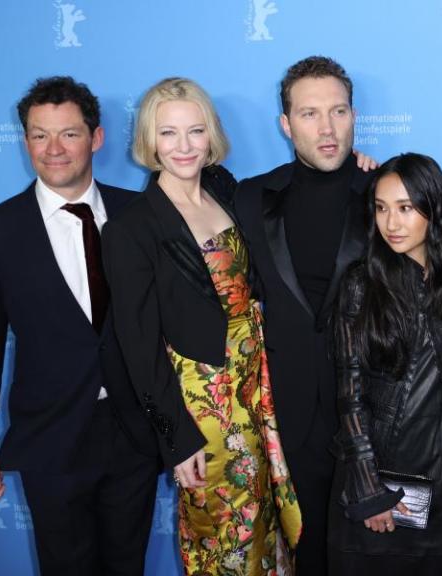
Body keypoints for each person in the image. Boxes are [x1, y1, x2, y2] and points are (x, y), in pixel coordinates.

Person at [0, 76, 159, 576]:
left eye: (68, 133)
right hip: (51, 436)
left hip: (134, 433)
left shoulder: (142, 214)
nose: (53, 149)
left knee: (126, 567)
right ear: (25, 140)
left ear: (96, 138)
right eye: (39, 134)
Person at [101, 77, 301, 574]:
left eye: (195, 131)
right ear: (150, 141)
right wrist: (178, 438)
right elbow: (138, 344)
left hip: (259, 388)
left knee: (273, 526)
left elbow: (298, 197)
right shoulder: (131, 227)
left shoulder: (224, 189)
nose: (184, 146)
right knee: (226, 537)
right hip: (204, 404)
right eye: (168, 134)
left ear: (211, 134)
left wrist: (363, 171)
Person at [234, 55, 374, 575]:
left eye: (339, 111)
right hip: (288, 408)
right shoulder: (250, 197)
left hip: (372, 410)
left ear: (354, 116)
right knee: (307, 550)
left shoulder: (384, 192)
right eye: (311, 114)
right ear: (286, 124)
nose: (328, 127)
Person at [328, 153, 442, 575]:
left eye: (405, 208)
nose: (391, 223)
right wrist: (368, 489)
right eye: (381, 208)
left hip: (439, 479)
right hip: (375, 472)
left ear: (433, 210)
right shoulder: (362, 283)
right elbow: (350, 391)